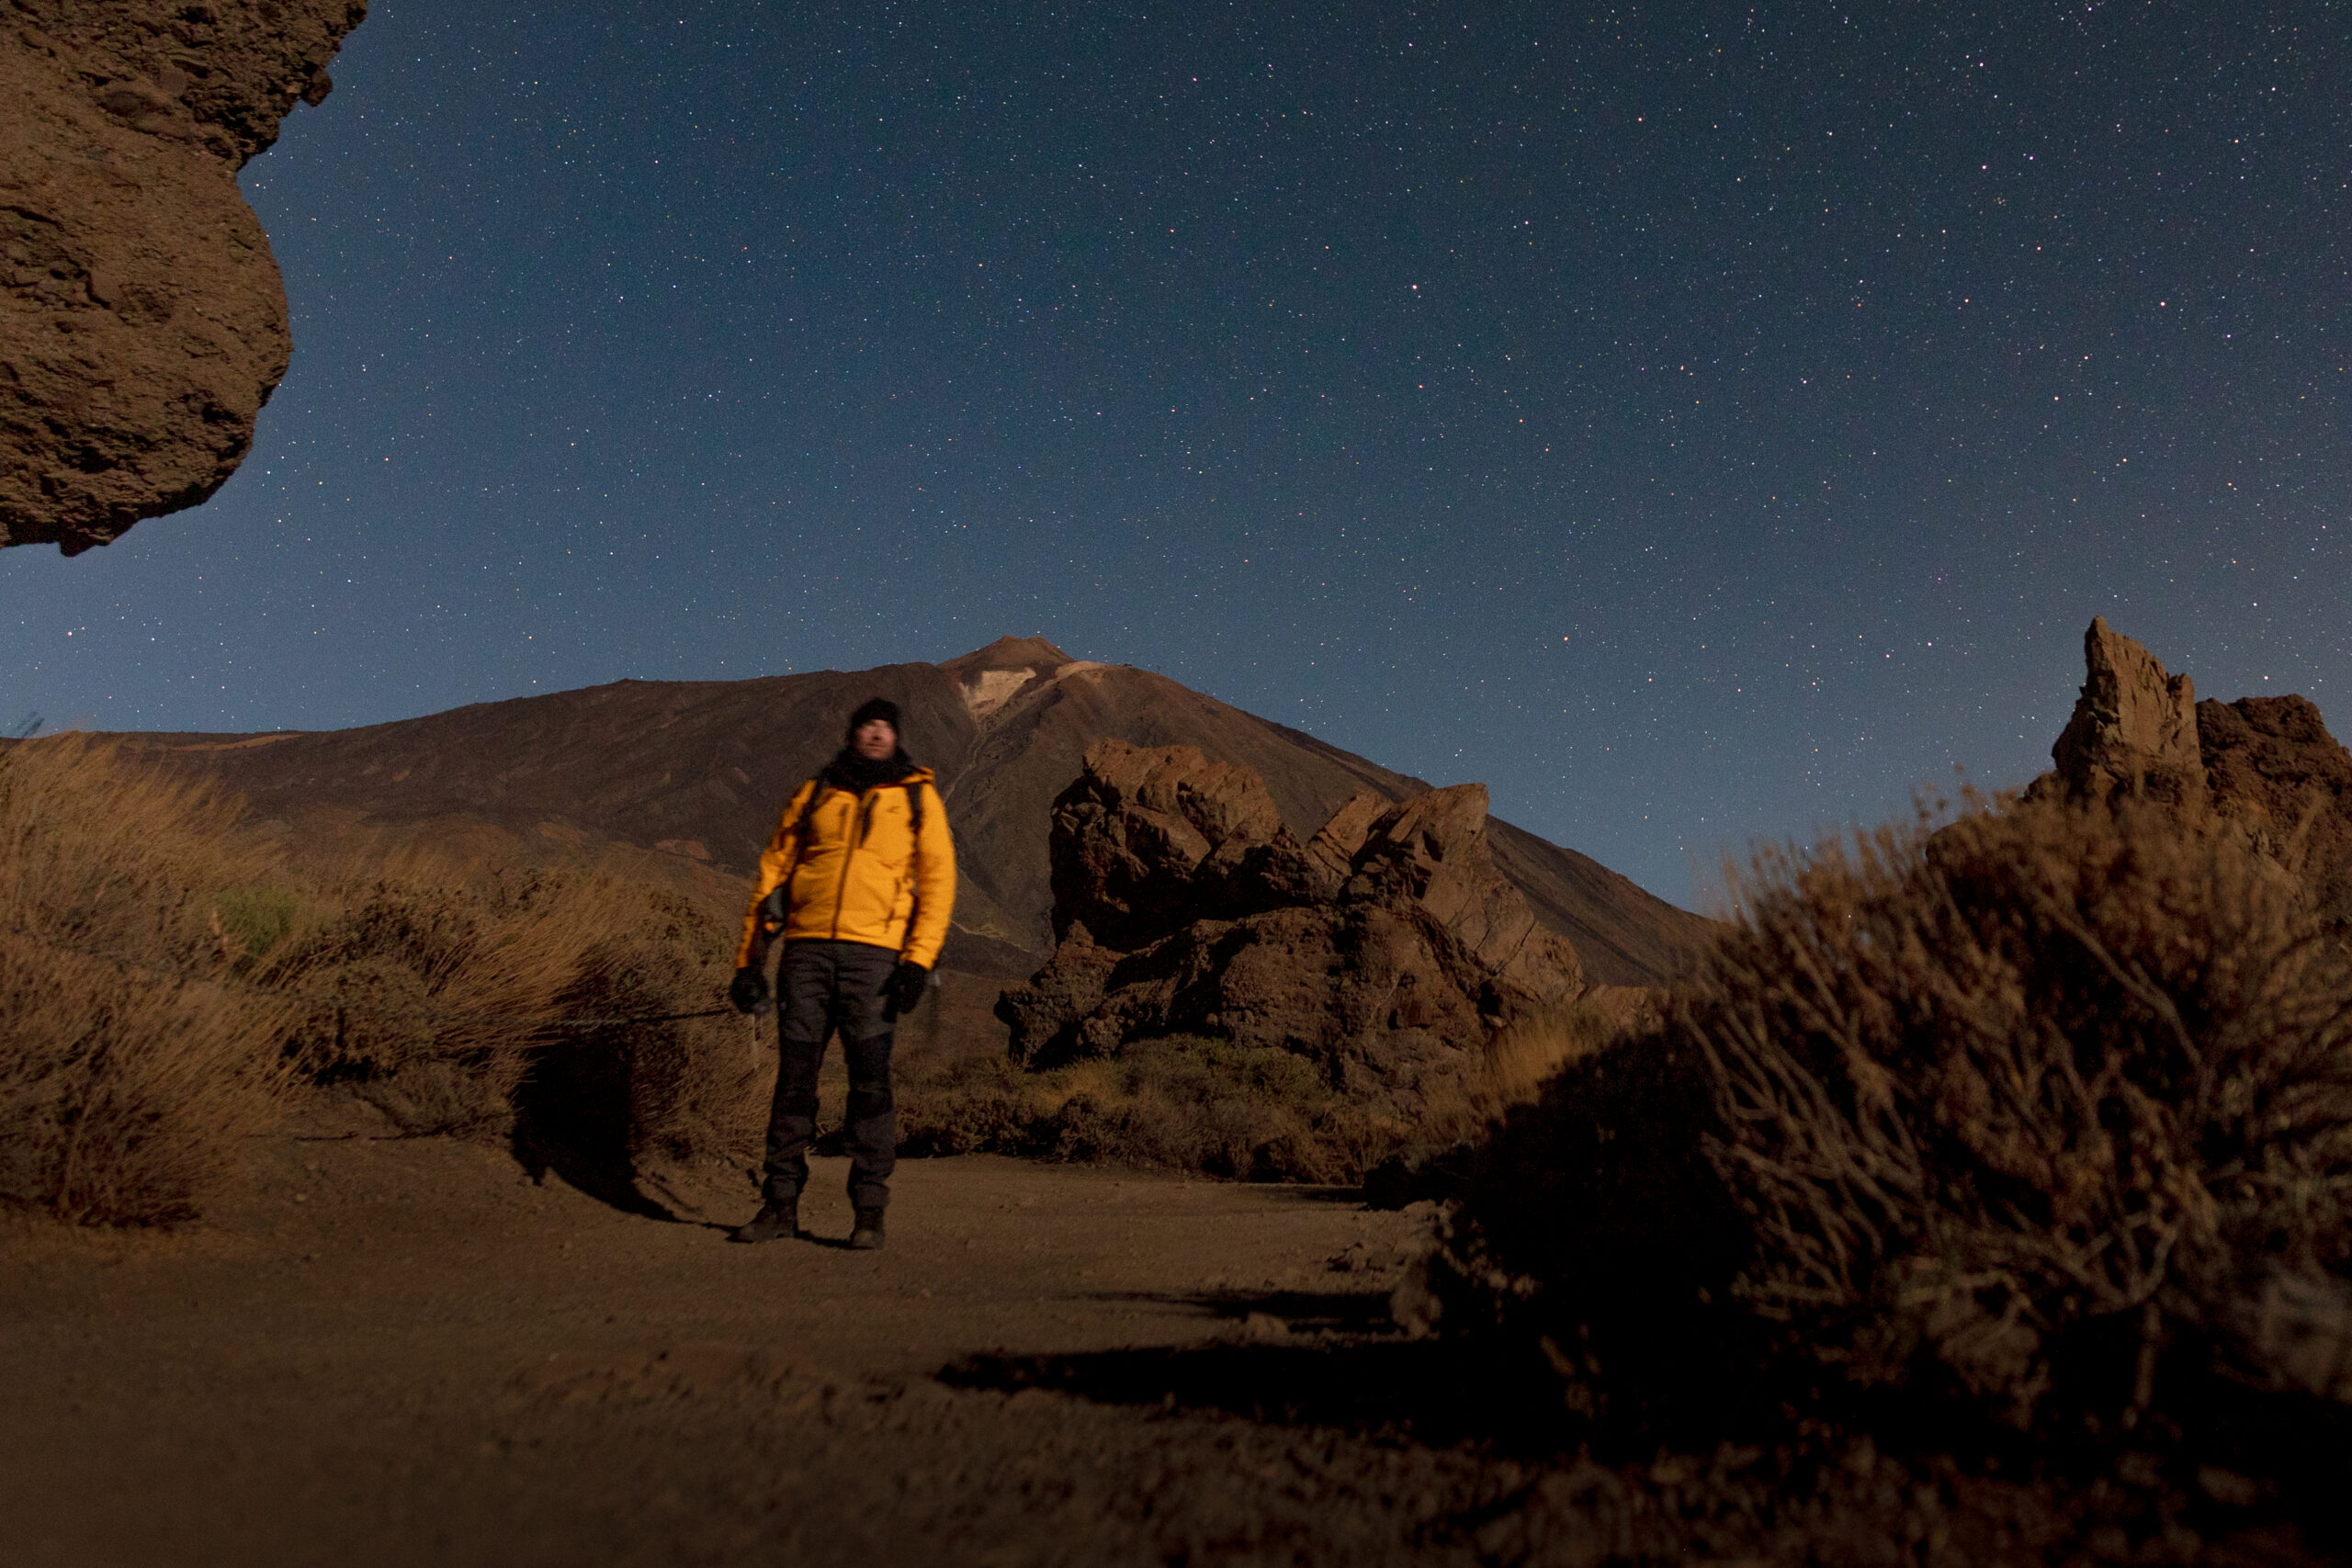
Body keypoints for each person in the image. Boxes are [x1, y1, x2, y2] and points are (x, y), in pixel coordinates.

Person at [727, 697, 955, 1248]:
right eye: (867, 726)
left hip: (875, 958)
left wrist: (918, 961)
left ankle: (869, 1211)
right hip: (804, 953)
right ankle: (780, 1203)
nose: (876, 735)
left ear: (896, 737)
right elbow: (773, 874)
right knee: (795, 1082)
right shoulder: (814, 795)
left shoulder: (918, 800)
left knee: (870, 1083)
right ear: (852, 734)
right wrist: (749, 962)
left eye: (886, 727)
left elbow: (939, 882)